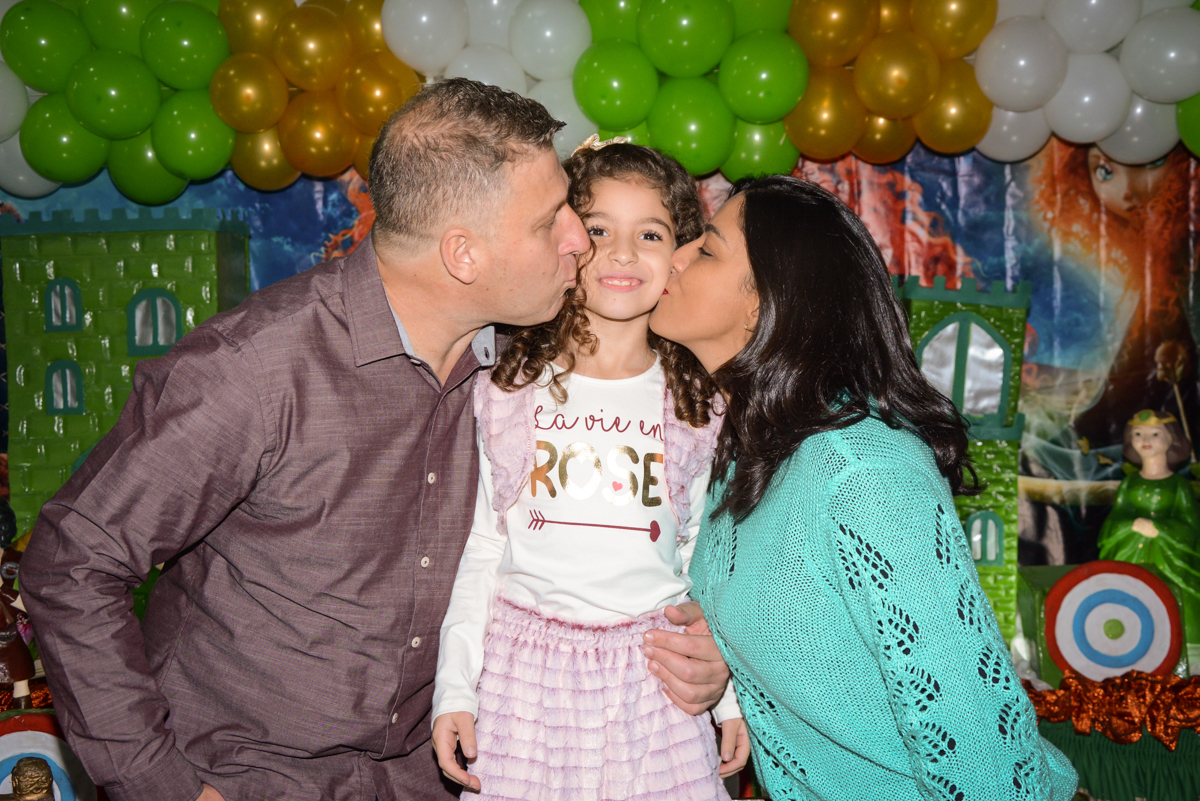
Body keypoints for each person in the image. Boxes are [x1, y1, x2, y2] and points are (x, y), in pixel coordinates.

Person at [18, 80, 731, 801]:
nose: (578, 240)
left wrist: (705, 646)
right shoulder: (256, 369)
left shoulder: (521, 369)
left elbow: (631, 524)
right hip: (249, 773)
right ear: (464, 254)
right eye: (553, 220)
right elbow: (73, 560)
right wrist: (164, 787)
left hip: (436, 773)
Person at [649, 175, 1079, 800]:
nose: (677, 256)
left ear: (767, 303)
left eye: (707, 249)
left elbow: (979, 749)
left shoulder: (865, 469)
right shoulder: (746, 451)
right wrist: (730, 662)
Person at [430, 138, 748, 801]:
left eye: (650, 233)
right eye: (599, 230)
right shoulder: (512, 388)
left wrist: (728, 699)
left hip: (655, 686)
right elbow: (484, 547)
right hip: (525, 688)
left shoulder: (698, 404)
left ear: (681, 255)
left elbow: (702, 558)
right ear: (567, 241)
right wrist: (453, 688)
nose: (623, 252)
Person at [1098, 410, 1200, 668]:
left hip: (1170, 561)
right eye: (1138, 434)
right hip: (1132, 556)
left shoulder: (1179, 486)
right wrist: (1130, 525)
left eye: (1155, 434)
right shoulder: (1129, 484)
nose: (1146, 439)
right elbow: (1112, 522)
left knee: (1176, 606)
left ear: (1172, 440)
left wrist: (1160, 529)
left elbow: (1191, 526)